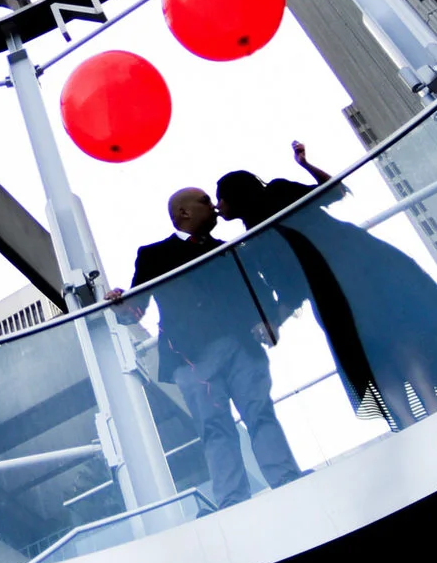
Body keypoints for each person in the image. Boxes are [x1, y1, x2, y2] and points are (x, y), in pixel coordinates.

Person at [218, 142, 437, 430]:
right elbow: (293, 284)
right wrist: (275, 322)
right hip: (348, 273)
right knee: (384, 347)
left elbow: (332, 195)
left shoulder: (271, 206)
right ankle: (422, 413)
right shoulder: (256, 237)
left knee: (385, 344)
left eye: (221, 199)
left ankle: (420, 414)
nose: (218, 207)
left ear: (234, 196)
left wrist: (305, 165)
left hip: (354, 272)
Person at [113, 186, 303, 509]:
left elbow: (258, 291)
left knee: (260, 413)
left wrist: (270, 321)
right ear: (183, 213)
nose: (214, 206)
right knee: (215, 429)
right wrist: (119, 303)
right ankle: (233, 502)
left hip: (243, 348)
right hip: (192, 359)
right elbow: (136, 309)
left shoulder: (234, 249)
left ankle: (286, 480)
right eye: (204, 201)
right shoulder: (154, 255)